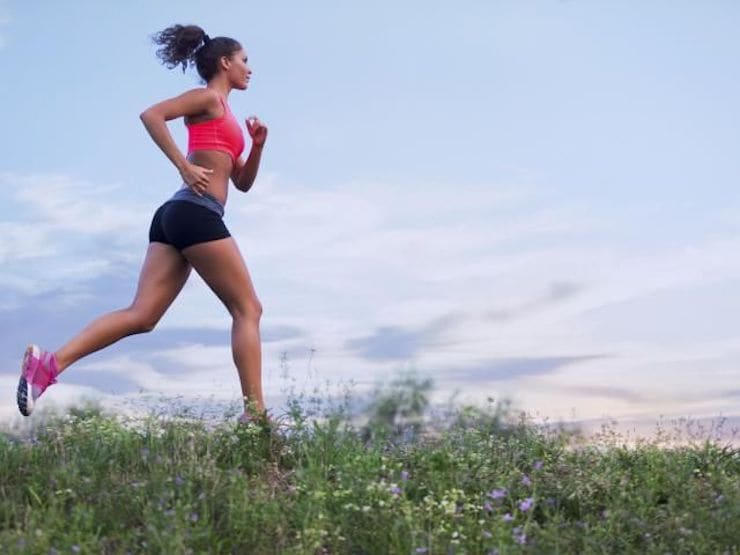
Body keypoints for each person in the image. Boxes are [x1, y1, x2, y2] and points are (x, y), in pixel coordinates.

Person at [16, 24, 271, 425]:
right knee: (248, 309)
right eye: (244, 61)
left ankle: (48, 365)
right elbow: (151, 115)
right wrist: (184, 166)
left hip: (176, 217)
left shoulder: (229, 119)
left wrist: (256, 147)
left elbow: (241, 183)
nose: (249, 69)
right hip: (195, 212)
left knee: (143, 315)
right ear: (225, 63)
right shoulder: (207, 98)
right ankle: (255, 416)